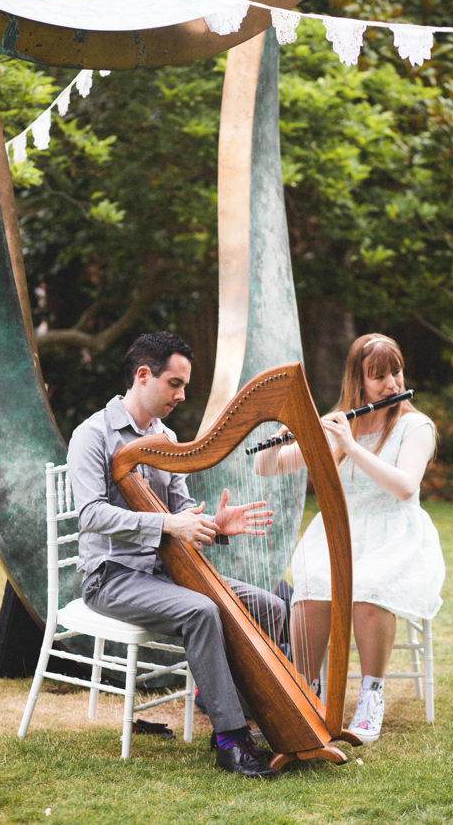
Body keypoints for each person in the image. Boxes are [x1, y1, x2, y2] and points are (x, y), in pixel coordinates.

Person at [67, 331, 285, 778]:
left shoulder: (166, 436)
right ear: (143, 375)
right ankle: (230, 738)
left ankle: (239, 707)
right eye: (175, 383)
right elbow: (91, 514)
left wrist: (215, 525)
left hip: (165, 572)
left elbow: (180, 509)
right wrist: (169, 524)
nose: (182, 395)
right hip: (111, 576)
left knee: (271, 606)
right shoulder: (92, 435)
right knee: (203, 612)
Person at [254, 333, 445, 744]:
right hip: (337, 532)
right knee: (308, 593)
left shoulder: (416, 427)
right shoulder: (339, 422)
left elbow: (405, 488)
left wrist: (350, 446)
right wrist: (280, 429)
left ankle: (370, 697)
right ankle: (307, 693)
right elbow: (267, 468)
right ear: (358, 381)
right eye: (380, 376)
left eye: (396, 372)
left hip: (394, 533)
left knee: (368, 593)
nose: (392, 384)